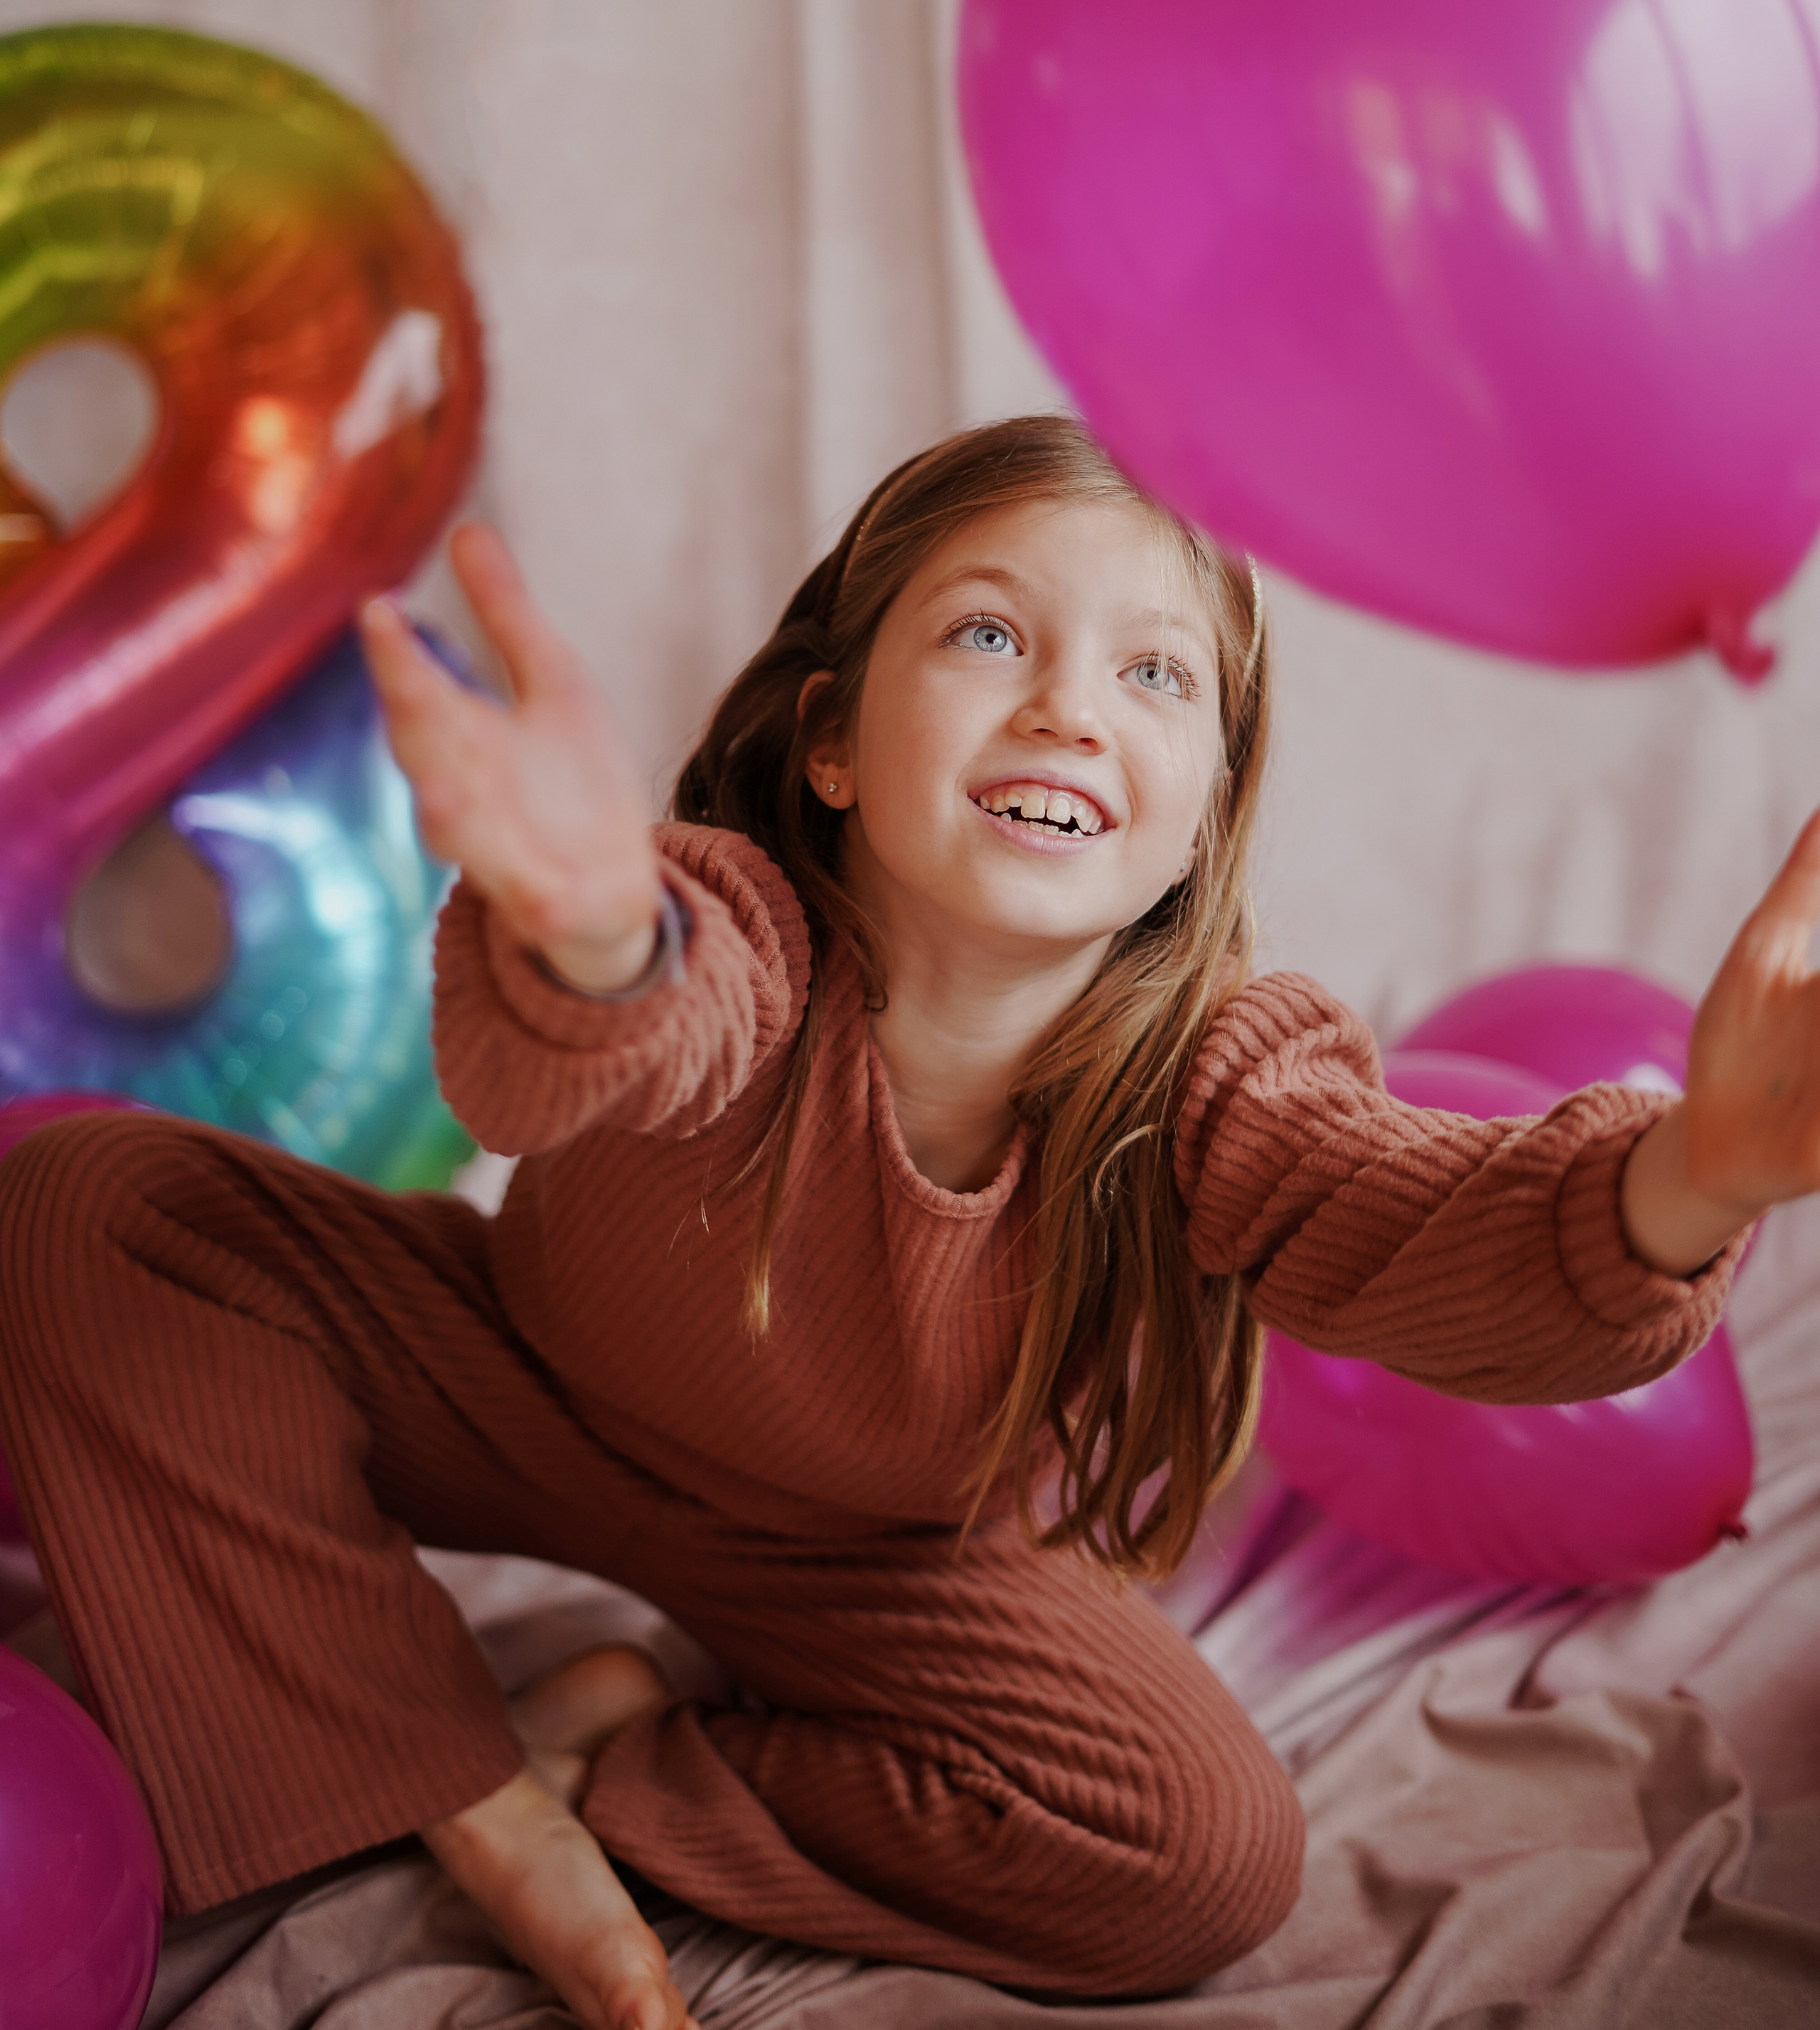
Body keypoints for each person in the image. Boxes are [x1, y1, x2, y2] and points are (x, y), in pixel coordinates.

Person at [0, 415, 1814, 2030]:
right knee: (89, 1204)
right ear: (834, 746)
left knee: (1203, 1854)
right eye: (986, 634)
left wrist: (1699, 1169)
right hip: (512, 1379)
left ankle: (625, 1744)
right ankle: (458, 1794)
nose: (1066, 705)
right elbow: (618, 1026)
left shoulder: (1216, 1088)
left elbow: (1428, 1221)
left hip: (879, 1560)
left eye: (1154, 675)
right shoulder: (737, 928)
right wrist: (589, 933)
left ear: (1194, 828)